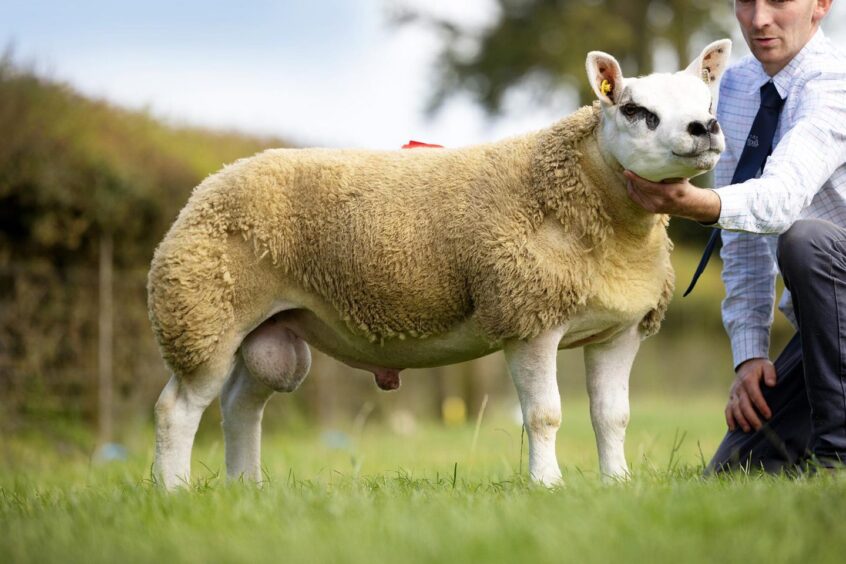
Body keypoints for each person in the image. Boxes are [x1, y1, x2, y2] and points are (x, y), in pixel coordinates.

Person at [625, 0, 846, 472]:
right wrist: (750, 356)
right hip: (826, 335)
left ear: (822, 5)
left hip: (837, 298)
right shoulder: (738, 87)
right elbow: (743, 239)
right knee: (736, 469)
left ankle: (836, 459)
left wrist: (695, 205)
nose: (759, 19)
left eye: (780, 2)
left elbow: (781, 198)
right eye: (746, 1)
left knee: (807, 243)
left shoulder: (835, 86)